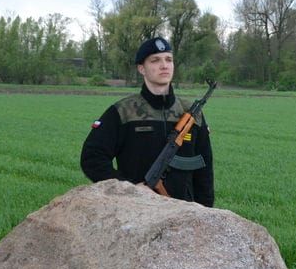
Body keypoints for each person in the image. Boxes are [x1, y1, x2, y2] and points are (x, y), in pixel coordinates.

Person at [80, 36, 214, 206]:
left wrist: (207, 213)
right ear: (142, 68)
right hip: (136, 210)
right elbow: (92, 158)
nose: (164, 65)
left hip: (185, 213)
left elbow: (205, 172)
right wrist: (128, 189)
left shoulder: (192, 114)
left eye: (168, 60)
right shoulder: (123, 111)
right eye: (155, 60)